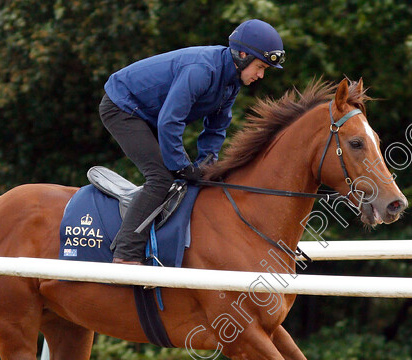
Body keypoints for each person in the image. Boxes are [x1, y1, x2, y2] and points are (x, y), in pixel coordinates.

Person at [99, 19, 285, 265]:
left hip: (151, 114)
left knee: (188, 179)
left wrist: (207, 165)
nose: (260, 75)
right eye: (260, 67)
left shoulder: (231, 83)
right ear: (242, 55)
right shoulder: (202, 70)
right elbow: (169, 121)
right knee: (162, 177)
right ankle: (125, 255)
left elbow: (217, 128)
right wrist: (182, 165)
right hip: (122, 108)